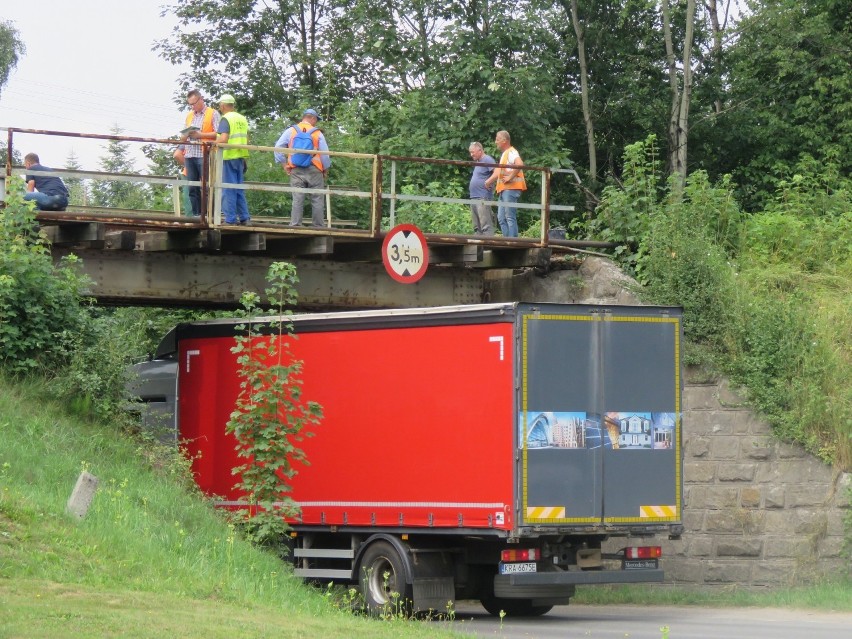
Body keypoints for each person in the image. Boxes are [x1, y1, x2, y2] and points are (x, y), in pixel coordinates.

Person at [273, 108, 331, 227]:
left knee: (298, 197)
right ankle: (318, 226)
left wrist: (284, 165)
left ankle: (295, 224)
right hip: (315, 169)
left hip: (296, 169)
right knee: (317, 198)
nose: (316, 123)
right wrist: (325, 169)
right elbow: (325, 154)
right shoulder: (317, 133)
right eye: (316, 120)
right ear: (313, 118)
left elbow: (278, 148)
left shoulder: (291, 131)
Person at [178, 89, 220, 216]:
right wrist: (185, 136)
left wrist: (200, 135)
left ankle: (209, 215)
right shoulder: (189, 115)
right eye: (190, 104)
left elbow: (219, 134)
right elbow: (182, 136)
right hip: (190, 154)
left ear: (201, 99)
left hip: (204, 154)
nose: (192, 106)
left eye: (194, 103)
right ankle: (197, 216)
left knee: (207, 186)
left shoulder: (213, 113)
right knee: (192, 187)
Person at [215, 94, 251, 225]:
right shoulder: (242, 118)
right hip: (240, 158)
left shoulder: (226, 119)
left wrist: (213, 144)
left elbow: (223, 139)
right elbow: (247, 139)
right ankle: (245, 218)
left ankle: (230, 219)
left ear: (223, 105)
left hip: (229, 157)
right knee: (238, 189)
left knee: (228, 189)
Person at [484, 130, 526, 237]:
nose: (495, 142)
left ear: (504, 140)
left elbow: (520, 164)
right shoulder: (505, 154)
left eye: (497, 139)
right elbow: (499, 172)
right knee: (501, 218)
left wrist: (510, 177)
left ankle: (512, 242)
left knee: (509, 216)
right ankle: (507, 240)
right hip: (504, 190)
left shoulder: (511, 152)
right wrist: (489, 182)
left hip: (511, 189)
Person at [468, 142, 496, 235]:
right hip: (474, 197)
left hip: (482, 196)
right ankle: (478, 247)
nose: (471, 154)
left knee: (485, 225)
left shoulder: (487, 159)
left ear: (480, 150)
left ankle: (488, 245)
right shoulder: (478, 162)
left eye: (473, 152)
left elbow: (497, 173)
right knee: (477, 226)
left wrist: (488, 182)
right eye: (470, 152)